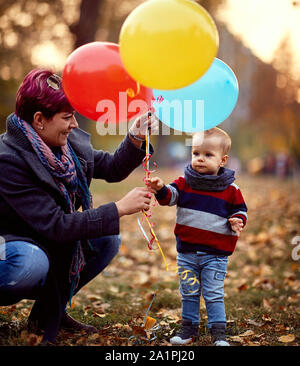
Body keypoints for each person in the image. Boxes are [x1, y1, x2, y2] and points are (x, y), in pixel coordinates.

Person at [0, 68, 157, 344]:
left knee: (106, 236)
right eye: (67, 117)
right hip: (8, 245)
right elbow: (57, 225)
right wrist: (118, 208)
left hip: (41, 240)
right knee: (30, 261)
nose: (74, 124)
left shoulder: (65, 146)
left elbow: (111, 167)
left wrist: (135, 135)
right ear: (39, 120)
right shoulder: (8, 161)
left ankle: (48, 314)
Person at [148, 127, 248, 346]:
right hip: (187, 253)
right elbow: (170, 196)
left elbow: (240, 210)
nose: (200, 159)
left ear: (223, 160)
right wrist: (160, 188)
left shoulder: (231, 189)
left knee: (213, 294)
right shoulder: (184, 182)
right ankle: (188, 330)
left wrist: (237, 220)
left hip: (215, 255)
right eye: (196, 154)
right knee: (189, 293)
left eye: (208, 155)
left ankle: (218, 334)